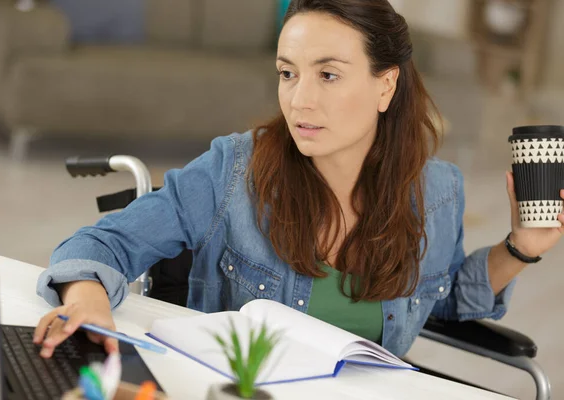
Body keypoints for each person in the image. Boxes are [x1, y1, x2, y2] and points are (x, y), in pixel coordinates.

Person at [33, 0, 564, 359]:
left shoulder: (437, 190)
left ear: (386, 86)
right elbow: (102, 243)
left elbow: (440, 299)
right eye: (288, 73)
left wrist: (521, 247)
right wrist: (87, 298)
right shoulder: (235, 168)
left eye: (328, 75)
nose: (300, 99)